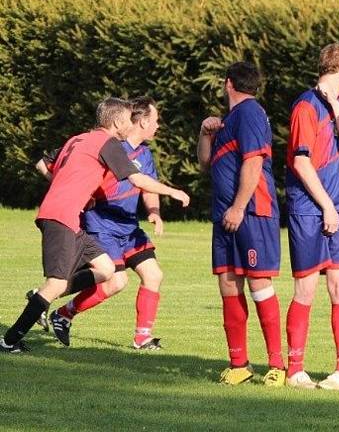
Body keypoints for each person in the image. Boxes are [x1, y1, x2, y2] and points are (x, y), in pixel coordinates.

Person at [1, 98, 190, 354]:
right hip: (62, 217)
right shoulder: (108, 142)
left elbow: (43, 164)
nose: (129, 123)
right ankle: (9, 340)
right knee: (55, 284)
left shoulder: (79, 138)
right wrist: (173, 191)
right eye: (125, 119)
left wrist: (69, 187)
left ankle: (43, 300)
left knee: (106, 269)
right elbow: (136, 178)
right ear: (116, 122)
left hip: (66, 216)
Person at [39, 97, 168, 350]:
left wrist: (154, 211)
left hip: (129, 228)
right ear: (142, 121)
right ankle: (51, 302)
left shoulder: (144, 153)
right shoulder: (108, 145)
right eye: (155, 120)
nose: (158, 125)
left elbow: (147, 186)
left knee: (154, 274)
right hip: (102, 225)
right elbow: (48, 164)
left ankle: (142, 337)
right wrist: (69, 191)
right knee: (116, 282)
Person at [197, 62, 285, 386]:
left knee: (259, 284)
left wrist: (238, 206)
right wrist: (205, 134)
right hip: (225, 216)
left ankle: (277, 365)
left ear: (228, 83)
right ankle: (239, 364)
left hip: (251, 213)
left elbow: (254, 161)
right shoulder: (229, 119)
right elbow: (205, 162)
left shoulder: (249, 112)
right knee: (228, 283)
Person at [284, 42, 339, 390]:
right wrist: (326, 205)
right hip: (308, 208)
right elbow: (301, 161)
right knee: (306, 289)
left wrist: (334, 103)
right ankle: (294, 370)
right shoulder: (304, 105)